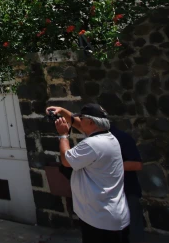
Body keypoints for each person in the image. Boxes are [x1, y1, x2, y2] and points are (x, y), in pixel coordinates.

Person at [47, 104, 129, 243]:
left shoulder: (92, 144)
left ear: (91, 122)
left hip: (99, 219)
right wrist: (63, 111)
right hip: (111, 214)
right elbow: (80, 125)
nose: (80, 120)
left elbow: (66, 160)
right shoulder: (108, 138)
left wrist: (63, 135)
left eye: (82, 118)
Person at [110, 125, 144, 242]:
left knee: (133, 231)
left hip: (127, 191)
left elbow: (137, 164)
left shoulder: (120, 137)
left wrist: (106, 165)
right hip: (109, 194)